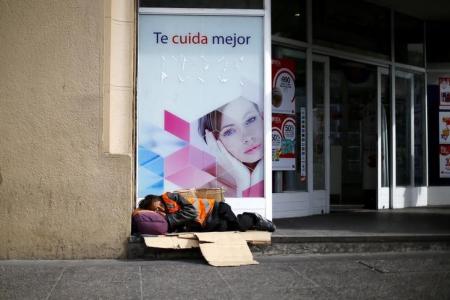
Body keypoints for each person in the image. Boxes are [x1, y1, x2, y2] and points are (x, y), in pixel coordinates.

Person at [198, 97, 264, 197]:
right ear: (212, 141)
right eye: (229, 132)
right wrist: (242, 182)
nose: (247, 137)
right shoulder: (204, 186)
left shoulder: (279, 173)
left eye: (251, 120)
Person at [137, 192, 240, 233]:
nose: (161, 209)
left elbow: (192, 213)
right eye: (157, 210)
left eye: (160, 206)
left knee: (239, 226)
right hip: (209, 222)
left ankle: (253, 218)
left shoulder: (170, 197)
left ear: (157, 198)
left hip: (217, 209)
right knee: (225, 228)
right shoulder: (165, 214)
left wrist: (169, 218)